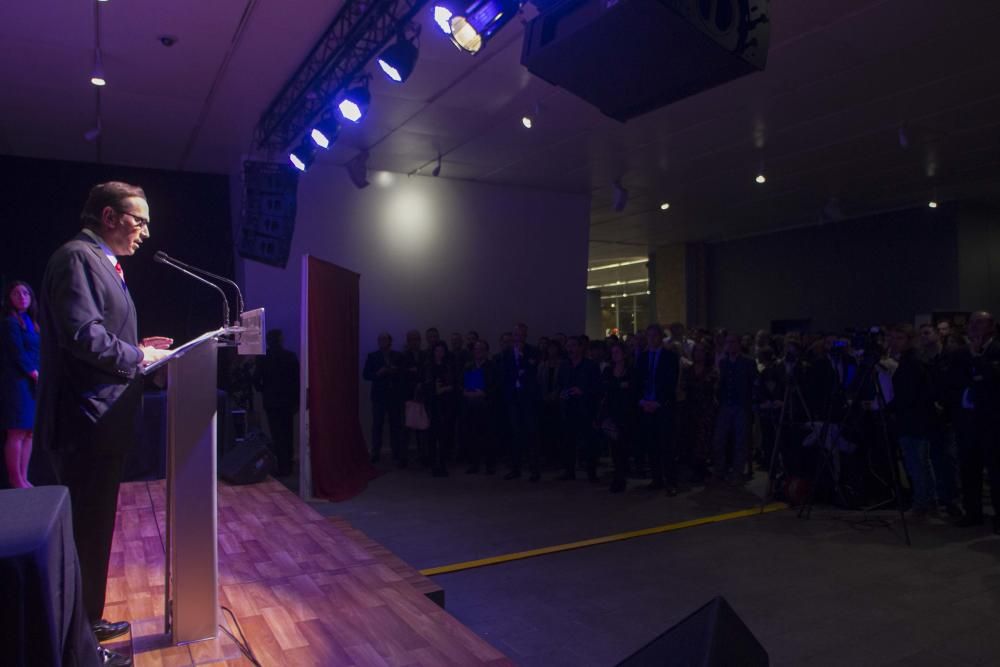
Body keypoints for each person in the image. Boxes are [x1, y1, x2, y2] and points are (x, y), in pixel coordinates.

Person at [36, 181, 172, 667]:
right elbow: (82, 335)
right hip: (84, 424)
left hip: (100, 422)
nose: (145, 232)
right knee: (80, 538)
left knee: (93, 535)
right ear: (110, 217)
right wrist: (140, 355)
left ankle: (87, 623)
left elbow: (99, 333)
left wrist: (140, 346)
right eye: (140, 221)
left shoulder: (99, 262)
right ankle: (78, 651)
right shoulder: (77, 257)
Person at [887, 324, 937, 518]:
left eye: (899, 338)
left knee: (917, 462)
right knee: (921, 462)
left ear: (909, 339)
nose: (893, 341)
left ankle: (921, 503)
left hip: (912, 419)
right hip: (916, 418)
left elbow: (908, 394)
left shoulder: (912, 362)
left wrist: (888, 407)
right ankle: (928, 500)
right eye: (891, 337)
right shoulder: (912, 360)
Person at [957, 311, 1000, 532]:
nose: (974, 327)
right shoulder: (962, 352)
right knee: (969, 469)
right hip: (968, 420)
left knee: (995, 470)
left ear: (991, 326)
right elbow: (957, 379)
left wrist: (978, 358)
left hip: (992, 421)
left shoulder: (996, 350)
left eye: (979, 323)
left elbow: (993, 380)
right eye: (972, 323)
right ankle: (972, 512)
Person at [1, 281, 40, 488]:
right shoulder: (10, 323)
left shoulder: (31, 323)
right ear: (9, 298)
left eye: (25, 293)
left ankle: (24, 477)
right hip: (18, 383)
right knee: (16, 431)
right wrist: (33, 372)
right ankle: (15, 479)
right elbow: (17, 352)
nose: (22, 297)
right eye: (16, 294)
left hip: (32, 382)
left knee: (29, 431)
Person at [635, 324, 680, 495]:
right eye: (649, 336)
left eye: (655, 335)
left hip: (663, 406)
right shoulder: (643, 357)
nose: (651, 339)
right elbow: (638, 381)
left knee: (666, 445)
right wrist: (642, 401)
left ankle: (671, 481)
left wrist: (659, 402)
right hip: (646, 405)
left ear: (660, 337)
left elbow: (671, 382)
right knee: (651, 444)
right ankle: (657, 479)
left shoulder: (670, 357)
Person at [253, 329, 300, 476]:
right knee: (288, 433)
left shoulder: (263, 358)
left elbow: (256, 380)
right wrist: (296, 400)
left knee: (276, 434)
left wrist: (264, 390)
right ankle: (288, 465)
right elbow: (296, 381)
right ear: (280, 340)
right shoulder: (290, 356)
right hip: (287, 400)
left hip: (271, 401)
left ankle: (281, 465)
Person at [712, 333, 758, 483]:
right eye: (728, 342)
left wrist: (752, 403)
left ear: (739, 344)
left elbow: (754, 384)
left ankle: (737, 473)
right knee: (719, 439)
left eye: (733, 342)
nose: (730, 345)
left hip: (741, 406)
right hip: (725, 404)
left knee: (740, 441)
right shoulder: (723, 362)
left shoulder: (748, 362)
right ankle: (720, 471)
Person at [557, 336, 602, 482]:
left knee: (589, 442)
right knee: (568, 441)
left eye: (574, 345)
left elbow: (598, 387)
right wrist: (561, 393)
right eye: (568, 346)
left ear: (581, 347)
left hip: (586, 408)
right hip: (569, 408)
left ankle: (591, 473)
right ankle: (569, 471)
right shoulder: (564, 365)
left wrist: (583, 391)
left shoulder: (591, 365)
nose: (571, 349)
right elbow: (559, 384)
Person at [501, 322, 541, 481]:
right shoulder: (507, 353)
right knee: (515, 434)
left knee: (532, 434)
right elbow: (505, 375)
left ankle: (534, 470)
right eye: (517, 334)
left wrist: (523, 360)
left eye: (522, 334)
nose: (519, 337)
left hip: (528, 398)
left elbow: (532, 371)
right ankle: (515, 468)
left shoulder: (533, 351)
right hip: (514, 398)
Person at [362, 332, 403, 464]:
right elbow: (366, 375)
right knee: (377, 425)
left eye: (384, 339)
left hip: (395, 395)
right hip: (379, 396)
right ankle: (375, 453)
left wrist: (395, 371)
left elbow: (404, 373)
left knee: (395, 425)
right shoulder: (372, 356)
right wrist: (378, 373)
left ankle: (396, 453)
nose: (382, 342)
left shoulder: (398, 355)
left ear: (390, 341)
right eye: (380, 339)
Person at [680, 341, 718, 481]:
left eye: (702, 351)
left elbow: (713, 388)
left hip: (705, 409)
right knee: (691, 437)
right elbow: (683, 387)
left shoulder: (711, 370)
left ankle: (702, 466)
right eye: (696, 351)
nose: (698, 353)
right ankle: (693, 465)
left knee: (703, 438)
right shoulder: (688, 370)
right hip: (690, 408)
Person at [601, 341, 636, 492]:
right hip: (612, 412)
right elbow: (606, 392)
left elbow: (633, 391)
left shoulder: (631, 371)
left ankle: (621, 476)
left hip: (627, 414)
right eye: (613, 352)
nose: (615, 355)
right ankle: (618, 477)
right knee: (614, 447)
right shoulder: (608, 371)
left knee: (623, 447)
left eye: (618, 352)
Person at [461, 339, 498, 474]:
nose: (478, 352)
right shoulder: (469, 366)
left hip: (487, 406)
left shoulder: (492, 366)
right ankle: (474, 464)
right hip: (471, 405)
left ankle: (490, 464)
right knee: (473, 435)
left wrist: (484, 392)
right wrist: (468, 392)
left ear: (487, 351)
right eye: (476, 349)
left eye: (481, 349)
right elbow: (466, 385)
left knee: (488, 436)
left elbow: (495, 386)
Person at [424, 341, 458, 476]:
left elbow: (455, 383)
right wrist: (435, 390)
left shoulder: (449, 366)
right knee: (432, 436)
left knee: (444, 435)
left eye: (442, 350)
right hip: (432, 404)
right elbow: (424, 385)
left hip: (446, 404)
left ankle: (443, 464)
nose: (439, 353)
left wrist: (445, 389)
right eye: (437, 350)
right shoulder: (428, 366)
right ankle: (433, 464)